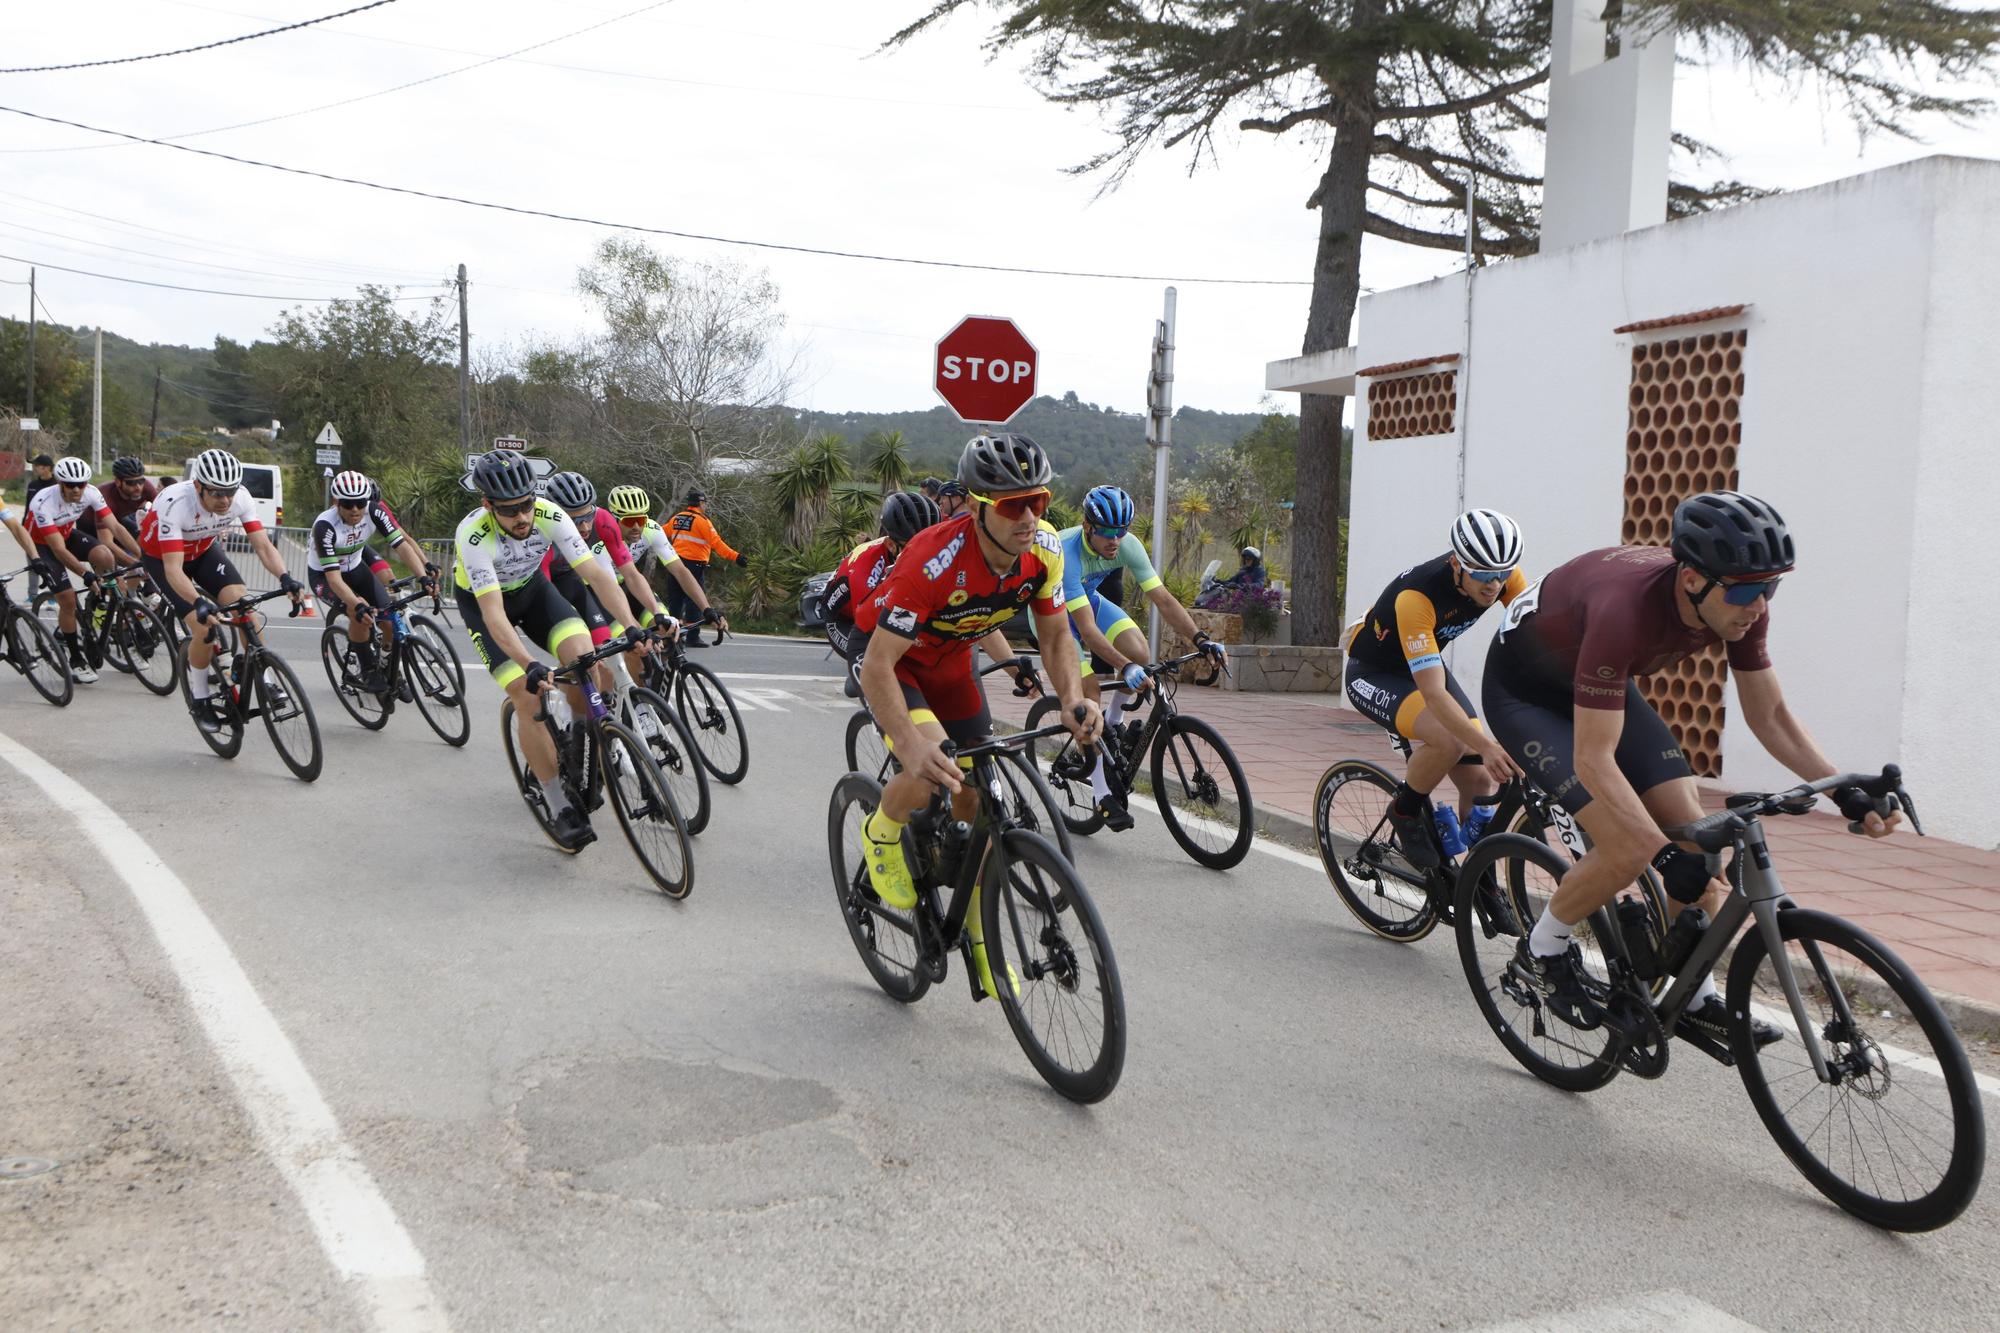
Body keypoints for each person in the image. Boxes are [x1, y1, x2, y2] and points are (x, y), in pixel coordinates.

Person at [1481, 491, 1895, 1046]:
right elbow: (1593, 757)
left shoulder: (1742, 610)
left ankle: (1694, 997)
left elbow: (1769, 715)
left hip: (1597, 682)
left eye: (1771, 588)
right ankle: (1542, 949)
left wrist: (1842, 790)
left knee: (1699, 841)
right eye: (1748, 590)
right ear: (1693, 580)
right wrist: (1660, 851)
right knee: (1628, 846)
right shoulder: (1622, 610)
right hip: (1525, 696)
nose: (1760, 604)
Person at [857, 433, 1101, 1000]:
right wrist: (911, 746)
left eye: (1037, 501)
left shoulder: (1042, 551)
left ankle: (978, 938)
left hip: (953, 667)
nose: (1028, 517)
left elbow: (1056, 632)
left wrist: (1071, 699)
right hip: (901, 668)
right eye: (1012, 505)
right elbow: (876, 668)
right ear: (975, 505)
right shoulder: (932, 559)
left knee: (977, 804)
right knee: (932, 766)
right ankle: (882, 830)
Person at [452, 450, 645, 852]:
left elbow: (596, 573)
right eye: (509, 510)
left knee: (584, 661)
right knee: (525, 690)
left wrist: (630, 624)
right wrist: (530, 663)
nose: (522, 517)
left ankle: (578, 738)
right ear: (487, 505)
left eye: (526, 504)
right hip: (486, 605)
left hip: (534, 592)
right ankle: (557, 802)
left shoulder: (550, 515)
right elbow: (493, 615)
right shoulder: (474, 537)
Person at [1343, 509, 1530, 867]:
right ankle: (1406, 811)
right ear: (1458, 564)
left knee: (1478, 781)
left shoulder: (1503, 574)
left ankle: (1476, 877)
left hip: (1422, 666)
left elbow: (1534, 637)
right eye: (1484, 574)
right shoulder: (1418, 596)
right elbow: (1434, 695)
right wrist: (1488, 745)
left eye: (1503, 573)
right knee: (1450, 740)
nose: (1494, 583)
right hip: (1375, 673)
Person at [1053, 484, 1226, 830]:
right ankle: (1101, 794)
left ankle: (1114, 722)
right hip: (1055, 616)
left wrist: (1200, 638)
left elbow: (1163, 599)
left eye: (1122, 531)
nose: (1115, 540)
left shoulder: (1126, 545)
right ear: (1088, 526)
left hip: (1089, 602)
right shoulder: (1066, 552)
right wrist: (1123, 666)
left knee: (1139, 650)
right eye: (1107, 532)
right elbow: (1086, 631)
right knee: (1089, 694)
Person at [139, 449, 304, 729]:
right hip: (163, 559)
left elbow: (263, 545)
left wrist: (285, 577)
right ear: (198, 486)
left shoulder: (240, 498)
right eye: (217, 493)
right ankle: (200, 698)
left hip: (203, 550)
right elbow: (173, 570)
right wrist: (197, 601)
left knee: (244, 607)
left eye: (230, 491)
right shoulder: (173, 503)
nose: (225, 500)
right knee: (203, 629)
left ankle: (265, 679)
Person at [308, 470, 436, 695]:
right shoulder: (325, 526)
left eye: (360, 503)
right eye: (348, 504)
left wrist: (423, 576)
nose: (355, 509)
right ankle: (367, 669)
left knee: (389, 618)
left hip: (356, 568)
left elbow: (401, 545)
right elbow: (334, 578)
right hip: (325, 577)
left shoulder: (374, 511)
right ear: (336, 502)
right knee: (360, 615)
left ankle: (388, 665)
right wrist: (356, 604)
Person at [25, 456, 131, 683]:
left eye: (80, 484)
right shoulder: (43, 502)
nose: (76, 490)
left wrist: (142, 557)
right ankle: (75, 658)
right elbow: (58, 549)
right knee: (67, 599)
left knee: (105, 555)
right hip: (42, 546)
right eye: (70, 485)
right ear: (60, 483)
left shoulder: (91, 492)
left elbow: (116, 527)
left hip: (64, 533)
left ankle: (95, 603)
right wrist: (85, 573)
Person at [821, 490, 939, 664]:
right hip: (844, 621)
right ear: (891, 546)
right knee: (882, 664)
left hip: (878, 606)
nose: (924, 555)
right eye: (913, 548)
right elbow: (874, 627)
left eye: (929, 546)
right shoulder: (866, 568)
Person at [603, 485, 727, 639]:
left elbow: (681, 572)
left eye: (640, 520)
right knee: (631, 641)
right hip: (601, 590)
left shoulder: (651, 529)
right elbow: (610, 589)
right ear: (614, 520)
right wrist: (635, 626)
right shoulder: (601, 539)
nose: (636, 527)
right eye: (629, 521)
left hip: (627, 584)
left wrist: (707, 609)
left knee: (668, 631)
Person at [665, 488, 744, 645]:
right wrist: (736, 557)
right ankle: (693, 637)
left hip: (675, 564)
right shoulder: (703, 522)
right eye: (705, 503)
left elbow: (661, 532)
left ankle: (672, 636)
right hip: (694, 566)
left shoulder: (678, 518)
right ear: (701, 503)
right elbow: (717, 544)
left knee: (675, 601)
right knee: (694, 600)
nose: (706, 506)